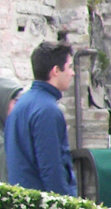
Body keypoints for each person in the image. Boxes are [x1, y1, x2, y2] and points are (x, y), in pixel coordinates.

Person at [5, 41, 77, 195]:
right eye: (70, 67)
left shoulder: (21, 105)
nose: (73, 73)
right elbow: (52, 169)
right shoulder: (47, 110)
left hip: (22, 202)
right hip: (42, 208)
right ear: (56, 70)